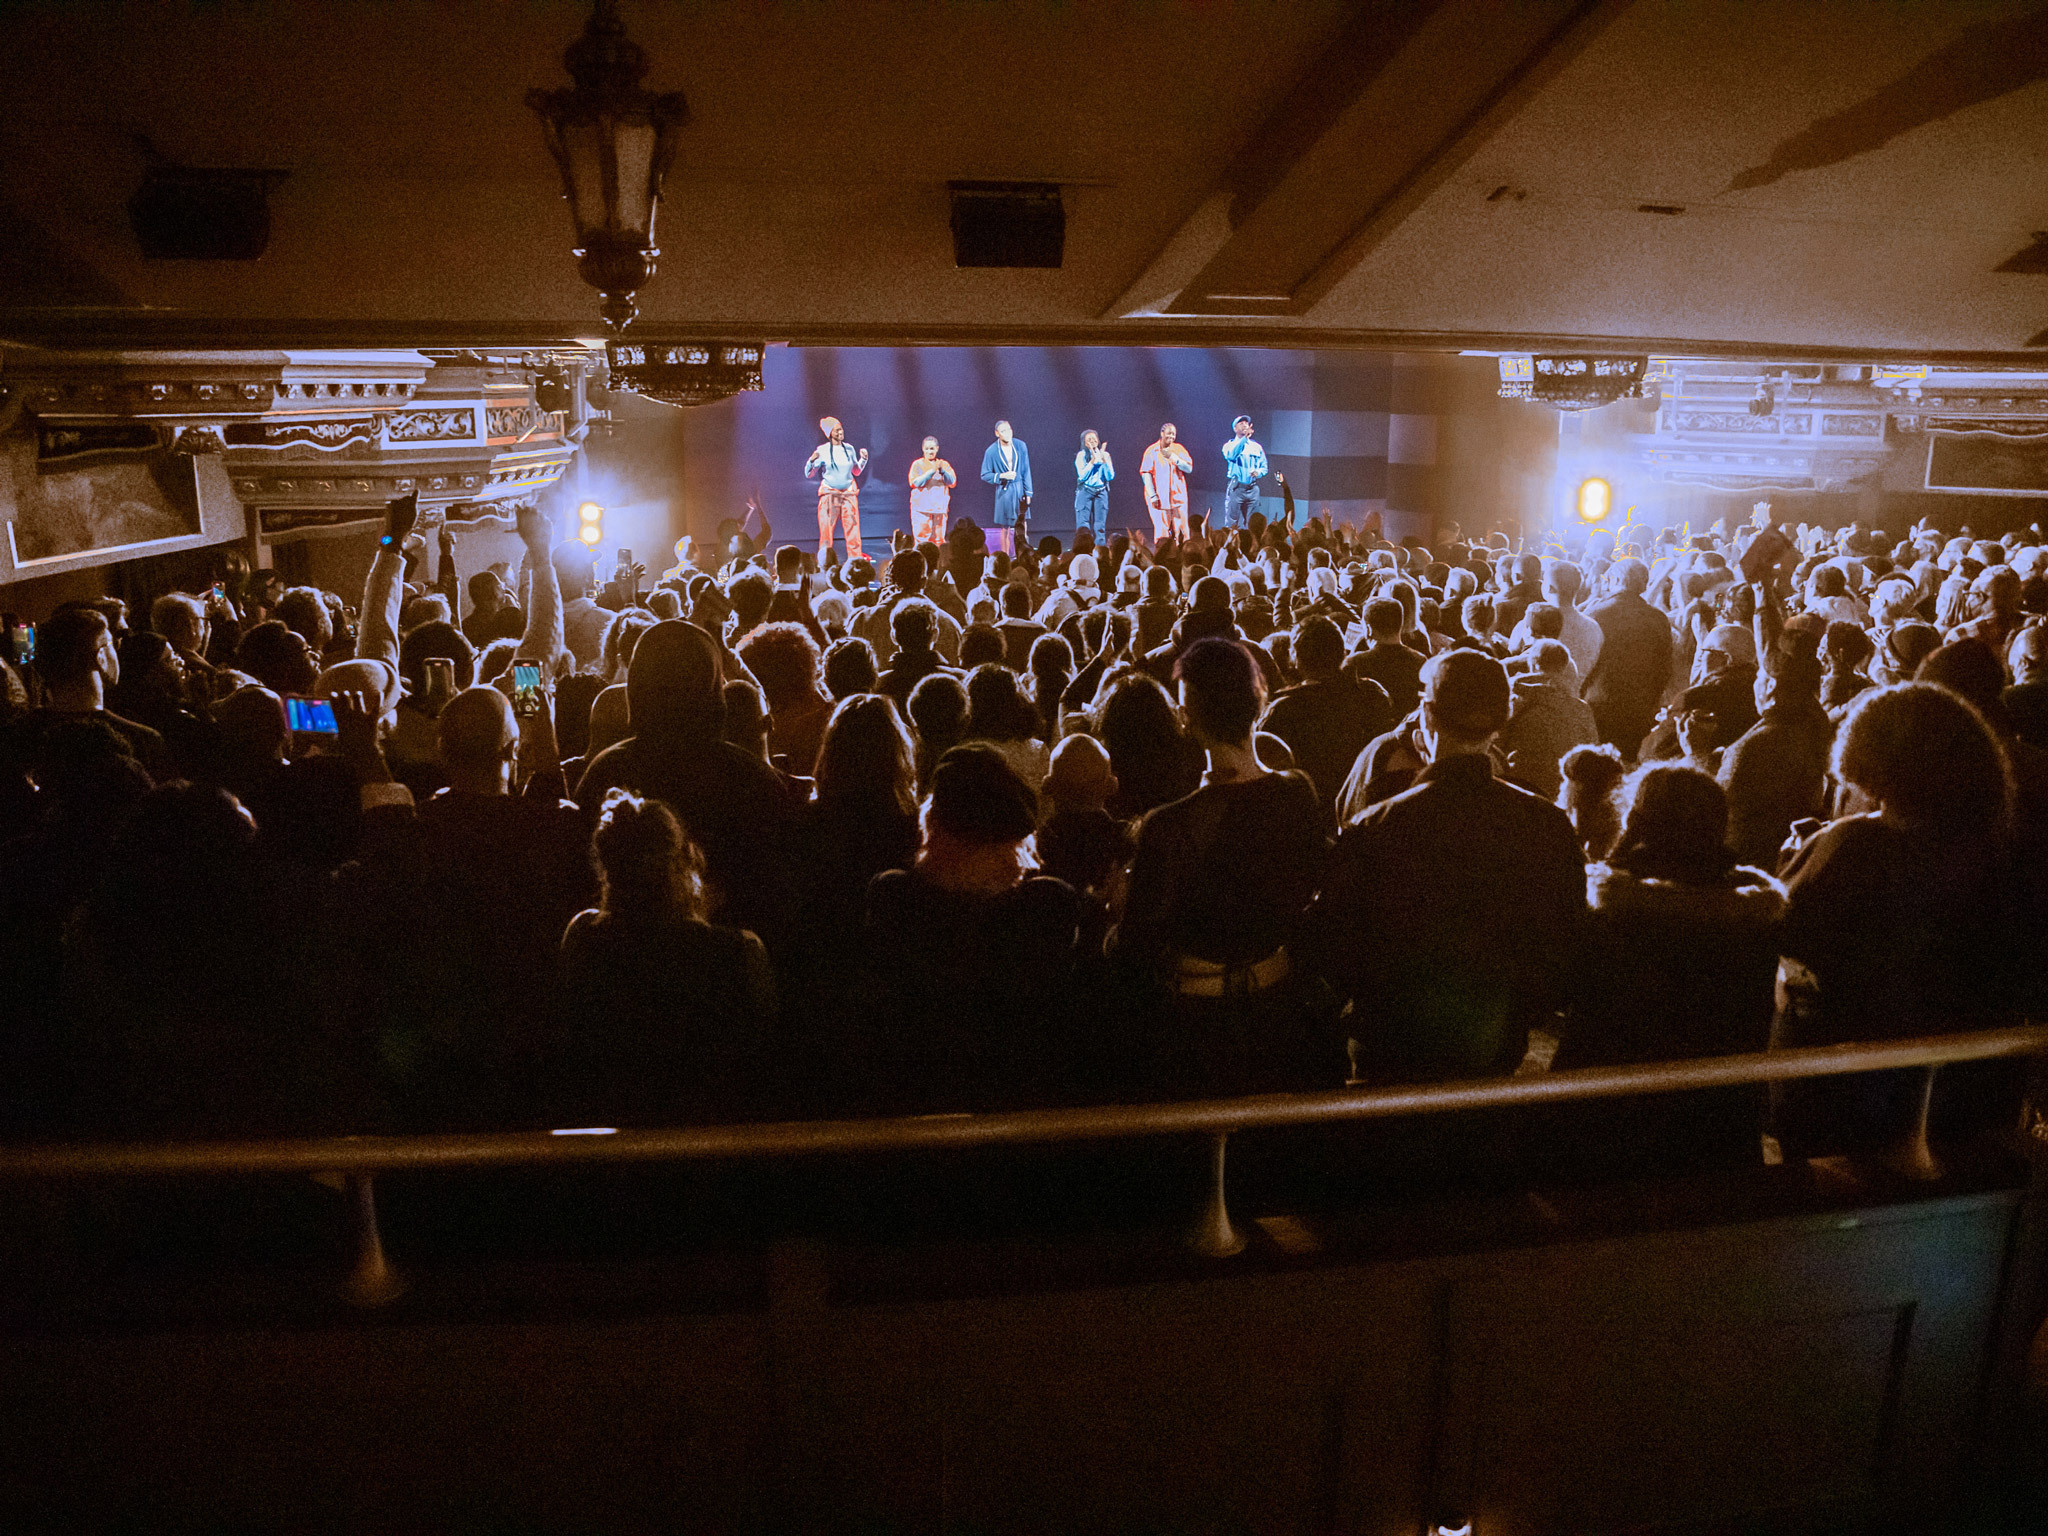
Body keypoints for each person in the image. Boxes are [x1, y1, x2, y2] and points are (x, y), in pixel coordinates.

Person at [1314, 649, 1587, 1084]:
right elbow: (1563, 948)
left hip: (1389, 1051)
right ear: (1502, 720)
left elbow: (1334, 950)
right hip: (1497, 1051)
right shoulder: (1547, 825)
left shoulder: (1376, 827)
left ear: (1427, 715)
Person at [1773, 684, 2019, 1160]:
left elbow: (1788, 933)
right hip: (1951, 1090)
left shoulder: (1854, 846)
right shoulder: (1989, 852)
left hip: (1844, 1080)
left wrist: (1797, 861)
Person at [1111, 639, 1332, 1097]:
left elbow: (1136, 947)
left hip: (1197, 1022)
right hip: (1280, 1007)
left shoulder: (1169, 825)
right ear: (1258, 701)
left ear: (1187, 716)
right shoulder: (1298, 793)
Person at [1551, 765, 1786, 1177]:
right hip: (1717, 1118)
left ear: (1635, 819)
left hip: (1605, 1116)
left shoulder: (1611, 910)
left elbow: (1557, 990)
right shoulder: (1756, 917)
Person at [861, 746, 1079, 1111]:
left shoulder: (894, 898)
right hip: (1024, 1101)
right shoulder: (1049, 905)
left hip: (915, 1099)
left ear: (933, 820)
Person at [554, 789, 777, 1127]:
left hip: (606, 1143)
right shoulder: (738, 951)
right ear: (682, 862)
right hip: (713, 1143)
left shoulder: (586, 937)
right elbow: (759, 1063)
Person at [575, 620, 800, 952]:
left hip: (620, 966)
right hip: (729, 972)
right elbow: (782, 896)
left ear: (638, 686)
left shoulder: (609, 771)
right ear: (710, 686)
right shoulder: (750, 777)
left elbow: (579, 878)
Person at [1258, 615, 1394, 819]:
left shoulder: (1282, 710)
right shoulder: (1373, 694)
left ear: (1295, 656)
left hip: (1307, 818)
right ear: (1342, 651)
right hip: (1366, 810)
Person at [1581, 557, 1674, 761]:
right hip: (1641, 705)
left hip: (1600, 703)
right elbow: (1666, 666)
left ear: (1614, 580)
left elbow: (1584, 660)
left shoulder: (1596, 614)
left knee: (1599, 765)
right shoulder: (1657, 618)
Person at [1498, 639, 1599, 802]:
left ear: (1533, 665)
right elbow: (1593, 756)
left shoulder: (1512, 701)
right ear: (1564, 668)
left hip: (1515, 790)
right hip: (1562, 795)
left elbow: (1495, 746)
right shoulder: (1582, 710)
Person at [805, 415, 869, 563]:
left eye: (841, 428)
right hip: (830, 495)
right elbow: (809, 473)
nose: (841, 432)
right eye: (836, 430)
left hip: (848, 494)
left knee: (853, 531)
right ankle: (824, 564)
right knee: (826, 533)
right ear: (829, 433)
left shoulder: (849, 449)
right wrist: (811, 461)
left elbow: (856, 471)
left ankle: (855, 563)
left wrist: (863, 459)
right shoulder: (822, 450)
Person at [978, 419, 1033, 556]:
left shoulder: (1021, 446)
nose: (1007, 434)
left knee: (1022, 522)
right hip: (1004, 491)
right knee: (1005, 527)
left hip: (1019, 489)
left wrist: (1029, 492)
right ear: (997, 433)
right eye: (1003, 431)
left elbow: (1026, 470)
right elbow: (985, 474)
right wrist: (1002, 476)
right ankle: (1005, 556)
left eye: (1009, 430)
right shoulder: (991, 451)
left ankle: (1023, 554)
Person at [1139, 423, 1193, 544]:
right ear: (1162, 433)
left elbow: (1189, 468)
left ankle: (1183, 555)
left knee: (1183, 532)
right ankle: (1162, 556)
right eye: (1169, 433)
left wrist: (1174, 458)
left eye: (1173, 434)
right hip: (1159, 499)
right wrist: (1152, 495)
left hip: (1178, 498)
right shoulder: (1152, 451)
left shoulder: (1178, 449)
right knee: (1162, 532)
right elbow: (1146, 474)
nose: (1171, 436)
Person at [1219, 415, 1267, 531]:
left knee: (1253, 523)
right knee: (1232, 523)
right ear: (1235, 428)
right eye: (1241, 423)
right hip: (1236, 488)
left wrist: (1258, 472)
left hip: (1252, 488)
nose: (1245, 424)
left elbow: (1264, 467)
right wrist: (1244, 439)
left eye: (1246, 423)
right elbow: (1231, 455)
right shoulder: (1229, 445)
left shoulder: (1257, 447)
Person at [907, 436, 956, 547]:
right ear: (923, 449)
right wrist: (931, 471)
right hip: (921, 510)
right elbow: (915, 483)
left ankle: (938, 563)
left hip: (939, 509)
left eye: (932, 449)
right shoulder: (917, 464)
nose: (930, 451)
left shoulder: (943, 464)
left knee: (939, 541)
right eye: (927, 449)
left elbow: (952, 482)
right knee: (922, 540)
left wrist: (942, 471)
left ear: (937, 449)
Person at [1074, 430, 1114, 543]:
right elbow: (1082, 476)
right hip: (1085, 491)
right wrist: (1092, 461)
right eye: (1089, 439)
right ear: (1085, 443)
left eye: (1094, 438)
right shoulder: (1081, 455)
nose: (1092, 441)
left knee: (1100, 525)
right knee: (1083, 524)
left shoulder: (1105, 455)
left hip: (1101, 492)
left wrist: (1104, 461)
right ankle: (1083, 549)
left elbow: (1110, 476)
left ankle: (1100, 551)